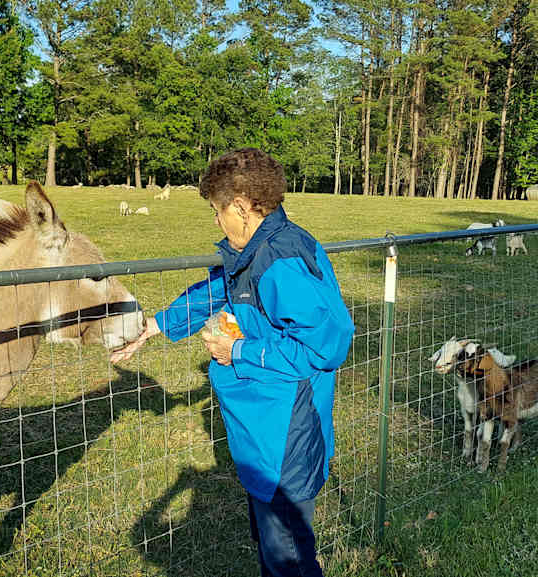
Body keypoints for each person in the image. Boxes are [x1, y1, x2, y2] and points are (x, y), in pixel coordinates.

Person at [110, 148, 355, 576]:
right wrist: (156, 326)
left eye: (216, 210)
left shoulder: (280, 262)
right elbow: (218, 289)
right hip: (263, 432)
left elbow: (325, 347)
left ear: (240, 207)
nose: (215, 220)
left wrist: (235, 351)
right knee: (273, 551)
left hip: (286, 438)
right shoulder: (256, 252)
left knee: (289, 560)